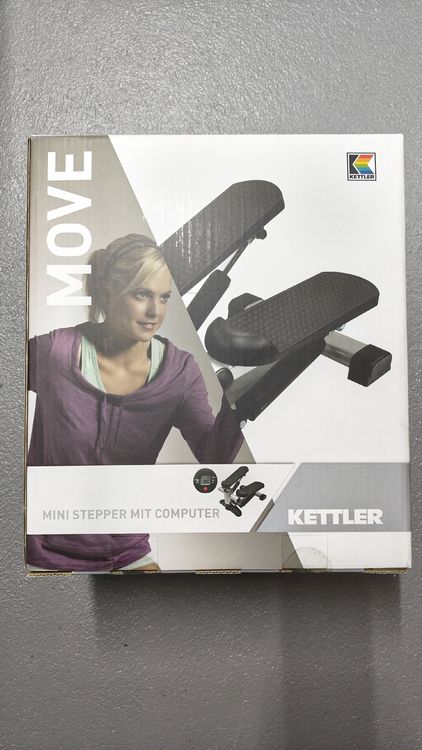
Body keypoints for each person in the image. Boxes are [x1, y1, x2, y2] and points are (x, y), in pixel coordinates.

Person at [26, 234, 244, 572]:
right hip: (40, 557)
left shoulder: (180, 371)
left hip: (126, 553)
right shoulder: (55, 353)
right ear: (108, 293)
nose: (155, 312)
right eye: (141, 295)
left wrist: (237, 404)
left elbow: (213, 456)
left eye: (164, 297)